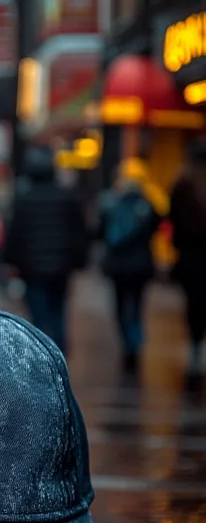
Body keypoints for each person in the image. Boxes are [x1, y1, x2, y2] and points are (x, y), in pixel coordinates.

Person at [4, 145, 88, 354]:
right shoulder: (66, 196)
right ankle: (59, 354)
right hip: (61, 268)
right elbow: (78, 232)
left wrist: (10, 261)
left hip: (32, 269)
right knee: (58, 311)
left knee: (38, 316)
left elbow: (15, 232)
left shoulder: (24, 198)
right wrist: (78, 261)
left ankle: (41, 356)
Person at [100, 157, 162, 372]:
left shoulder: (111, 204)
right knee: (136, 307)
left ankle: (127, 340)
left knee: (120, 306)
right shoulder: (146, 205)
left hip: (118, 267)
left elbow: (101, 231)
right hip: (140, 267)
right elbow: (158, 225)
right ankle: (133, 343)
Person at [170, 141, 206, 380]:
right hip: (193, 257)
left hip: (190, 258)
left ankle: (196, 349)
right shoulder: (184, 187)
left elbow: (174, 221)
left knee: (194, 307)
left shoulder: (183, 186)